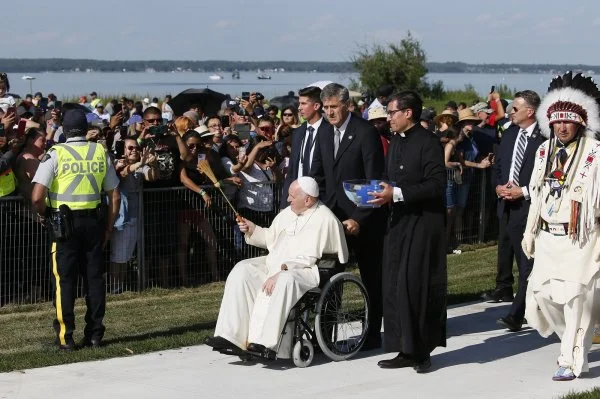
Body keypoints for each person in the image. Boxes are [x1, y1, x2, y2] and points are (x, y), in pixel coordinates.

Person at [206, 177, 348, 358]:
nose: (288, 200)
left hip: (304, 271)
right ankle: (230, 336)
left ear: (308, 200)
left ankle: (266, 344)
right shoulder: (287, 213)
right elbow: (269, 239)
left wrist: (284, 269)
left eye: (291, 196)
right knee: (242, 270)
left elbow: (326, 258)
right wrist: (252, 229)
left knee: (284, 281)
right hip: (273, 264)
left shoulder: (326, 219)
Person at [522, 72, 600, 381]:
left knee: (573, 297)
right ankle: (576, 335)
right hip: (547, 236)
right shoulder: (544, 152)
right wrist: (530, 232)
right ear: (550, 122)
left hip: (581, 236)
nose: (562, 127)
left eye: (568, 122)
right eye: (557, 122)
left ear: (580, 123)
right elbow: (537, 196)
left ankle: (569, 358)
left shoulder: (595, 154)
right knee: (541, 296)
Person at [30, 108, 120, 350]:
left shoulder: (56, 153)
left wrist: (44, 215)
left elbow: (37, 196)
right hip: (94, 223)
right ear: (85, 127)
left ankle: (66, 337)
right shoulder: (100, 151)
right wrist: (109, 228)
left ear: (64, 130)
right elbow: (115, 195)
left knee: (64, 281)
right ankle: (94, 334)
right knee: (94, 279)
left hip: (64, 225)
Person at [369, 91, 447, 373]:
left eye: (391, 113)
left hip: (423, 224)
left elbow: (437, 184)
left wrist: (397, 193)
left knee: (417, 284)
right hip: (398, 222)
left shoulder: (428, 143)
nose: (388, 118)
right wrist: (380, 192)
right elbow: (393, 180)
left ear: (408, 113)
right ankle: (404, 347)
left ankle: (422, 350)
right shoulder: (396, 143)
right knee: (395, 284)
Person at [311, 83, 386, 351]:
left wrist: (359, 218)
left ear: (346, 105)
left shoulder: (365, 133)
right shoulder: (322, 133)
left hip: (364, 221)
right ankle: (326, 336)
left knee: (371, 276)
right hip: (333, 220)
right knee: (330, 278)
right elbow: (318, 175)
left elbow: (374, 180)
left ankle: (373, 333)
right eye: (326, 107)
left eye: (334, 107)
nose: (329, 112)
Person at [486, 91, 544, 334]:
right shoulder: (510, 134)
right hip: (506, 206)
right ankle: (532, 307)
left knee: (527, 263)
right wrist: (498, 186)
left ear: (530, 111)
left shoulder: (543, 139)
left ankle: (517, 314)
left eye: (516, 108)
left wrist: (524, 191)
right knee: (516, 260)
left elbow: (547, 176)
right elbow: (499, 166)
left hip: (528, 207)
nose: (510, 112)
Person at [280, 86, 327, 208]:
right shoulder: (298, 133)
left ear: (316, 106)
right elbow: (292, 171)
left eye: (303, 104)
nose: (299, 108)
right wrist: (284, 204)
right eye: (299, 104)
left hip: (321, 201)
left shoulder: (330, 132)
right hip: (297, 201)